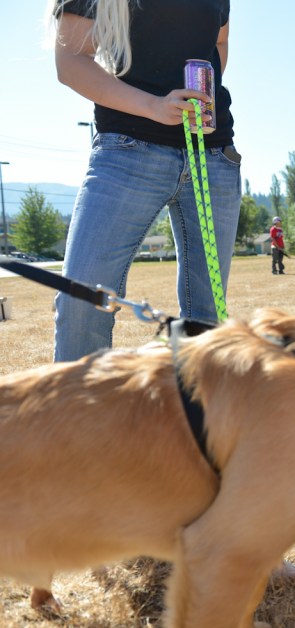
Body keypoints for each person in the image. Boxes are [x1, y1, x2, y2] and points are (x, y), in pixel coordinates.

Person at [51, 0, 241, 362]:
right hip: (127, 150)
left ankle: (193, 414)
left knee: (207, 317)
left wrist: (202, 98)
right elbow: (70, 62)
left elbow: (219, 42)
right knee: (81, 297)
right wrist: (154, 105)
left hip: (213, 156)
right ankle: (77, 414)